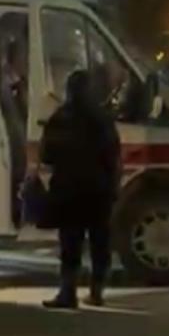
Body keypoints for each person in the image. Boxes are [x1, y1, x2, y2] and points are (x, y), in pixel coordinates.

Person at [39, 70, 121, 309]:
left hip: (69, 189)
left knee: (70, 243)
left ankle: (68, 293)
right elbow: (113, 154)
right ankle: (97, 292)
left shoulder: (60, 117)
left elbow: (47, 155)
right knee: (99, 242)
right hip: (99, 189)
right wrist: (113, 185)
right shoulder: (103, 118)